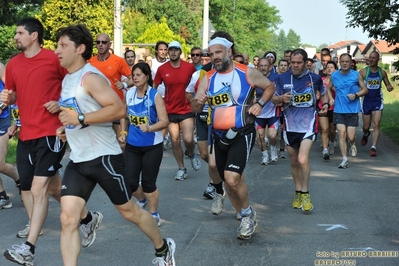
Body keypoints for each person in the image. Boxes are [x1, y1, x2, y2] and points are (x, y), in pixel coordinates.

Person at [55, 24, 175, 266]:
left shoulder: (91, 78)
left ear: (80, 49)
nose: (57, 50)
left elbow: (118, 109)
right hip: (78, 160)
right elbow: (79, 113)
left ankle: (163, 249)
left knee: (129, 212)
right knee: (68, 219)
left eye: (63, 45)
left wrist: (79, 119)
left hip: (104, 158)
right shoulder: (68, 79)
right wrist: (67, 128)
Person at [2, 18, 101, 266]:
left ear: (34, 35)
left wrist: (61, 103)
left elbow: (72, 83)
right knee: (52, 189)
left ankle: (28, 250)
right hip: (26, 134)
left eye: (20, 32)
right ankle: (89, 218)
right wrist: (8, 95)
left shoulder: (52, 59)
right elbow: (13, 93)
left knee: (38, 190)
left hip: (50, 133)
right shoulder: (13, 64)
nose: (16, 37)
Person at [192, 36, 275, 239]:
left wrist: (260, 104)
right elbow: (194, 107)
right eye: (211, 54)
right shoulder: (208, 77)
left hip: (241, 133)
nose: (215, 57)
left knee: (232, 177)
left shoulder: (246, 72)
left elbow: (270, 87)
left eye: (218, 52)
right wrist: (199, 101)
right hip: (218, 135)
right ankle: (244, 215)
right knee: (227, 183)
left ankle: (247, 214)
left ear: (229, 51)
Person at [272, 48, 329, 212]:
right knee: (294, 161)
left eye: (298, 63)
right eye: (292, 63)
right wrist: (281, 98)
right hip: (290, 125)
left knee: (303, 160)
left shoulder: (315, 78)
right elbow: (273, 98)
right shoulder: (282, 78)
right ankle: (297, 191)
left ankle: (305, 193)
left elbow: (324, 93)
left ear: (306, 63)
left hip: (308, 124)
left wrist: (324, 105)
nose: (295, 66)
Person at [119, 62, 168, 226]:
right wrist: (123, 132)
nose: (135, 78)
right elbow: (124, 115)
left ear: (147, 76)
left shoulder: (155, 95)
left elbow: (164, 121)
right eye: (134, 75)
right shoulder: (129, 94)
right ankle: (141, 200)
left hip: (152, 146)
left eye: (139, 75)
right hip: (133, 145)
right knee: (130, 181)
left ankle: (153, 213)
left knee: (148, 183)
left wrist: (150, 127)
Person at [154, 41, 201, 180]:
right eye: (171, 50)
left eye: (176, 50)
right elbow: (154, 86)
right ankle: (182, 168)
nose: (173, 52)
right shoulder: (162, 69)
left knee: (188, 139)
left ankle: (191, 154)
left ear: (180, 52)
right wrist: (152, 102)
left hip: (186, 108)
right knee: (175, 141)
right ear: (168, 52)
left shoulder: (189, 68)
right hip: (170, 109)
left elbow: (196, 84)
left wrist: (196, 99)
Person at [88, 33, 133, 148]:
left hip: (116, 105)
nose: (100, 45)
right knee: (99, 143)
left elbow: (134, 78)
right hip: (98, 106)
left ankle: (122, 166)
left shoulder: (118, 61)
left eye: (104, 42)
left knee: (121, 143)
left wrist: (124, 84)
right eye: (98, 42)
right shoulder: (90, 63)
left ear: (109, 44)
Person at [327, 53, 368, 169]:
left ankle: (352, 143)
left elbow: (365, 90)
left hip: (352, 109)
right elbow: (328, 88)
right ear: (340, 62)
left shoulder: (356, 75)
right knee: (341, 133)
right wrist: (330, 98)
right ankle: (344, 159)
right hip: (339, 109)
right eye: (343, 61)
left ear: (351, 63)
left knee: (350, 136)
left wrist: (356, 95)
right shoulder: (334, 75)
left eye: (347, 61)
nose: (345, 63)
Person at [359, 51, 394, 156]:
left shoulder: (382, 73)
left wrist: (389, 87)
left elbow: (388, 84)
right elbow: (358, 85)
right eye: (370, 57)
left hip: (377, 100)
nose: (371, 59)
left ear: (378, 59)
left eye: (374, 58)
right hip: (366, 101)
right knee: (366, 126)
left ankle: (373, 147)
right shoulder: (363, 72)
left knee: (376, 124)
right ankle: (366, 134)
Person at [0, 62, 20, 210]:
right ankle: (3, 196)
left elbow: (11, 89)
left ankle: (20, 181)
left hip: (2, 119)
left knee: (0, 162)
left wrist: (1, 106)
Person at [255, 57, 280, 165]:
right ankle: (265, 155)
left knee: (272, 136)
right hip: (259, 112)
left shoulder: (276, 78)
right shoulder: (254, 78)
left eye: (266, 66)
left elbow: (282, 91)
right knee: (259, 137)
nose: (263, 68)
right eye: (261, 66)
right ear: (258, 67)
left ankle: (273, 148)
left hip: (273, 111)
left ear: (270, 67)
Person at [317, 61, 338, 160]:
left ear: (336, 70)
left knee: (332, 130)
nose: (329, 69)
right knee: (324, 130)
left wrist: (332, 86)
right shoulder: (321, 80)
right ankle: (325, 150)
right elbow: (318, 93)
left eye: (332, 67)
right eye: (327, 67)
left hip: (334, 108)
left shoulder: (338, 80)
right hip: (323, 107)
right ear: (324, 70)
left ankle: (332, 142)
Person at [151, 41, 170, 147]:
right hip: (155, 94)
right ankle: (156, 137)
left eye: (165, 49)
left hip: (167, 95)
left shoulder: (170, 63)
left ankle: (163, 138)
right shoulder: (151, 63)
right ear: (156, 51)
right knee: (155, 117)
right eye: (161, 49)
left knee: (164, 118)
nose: (163, 52)